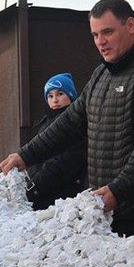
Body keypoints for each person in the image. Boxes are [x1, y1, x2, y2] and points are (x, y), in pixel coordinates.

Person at [0, 0, 134, 237]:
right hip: (108, 207)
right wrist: (25, 155)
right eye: (95, 35)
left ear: (131, 26)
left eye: (107, 32)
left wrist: (119, 190)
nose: (100, 42)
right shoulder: (101, 76)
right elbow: (70, 122)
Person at [25, 73, 88, 210]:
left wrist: (35, 187)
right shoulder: (44, 123)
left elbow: (64, 162)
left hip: (61, 197)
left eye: (60, 94)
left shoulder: (76, 124)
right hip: (39, 193)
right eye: (50, 96)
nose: (55, 100)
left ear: (71, 95)